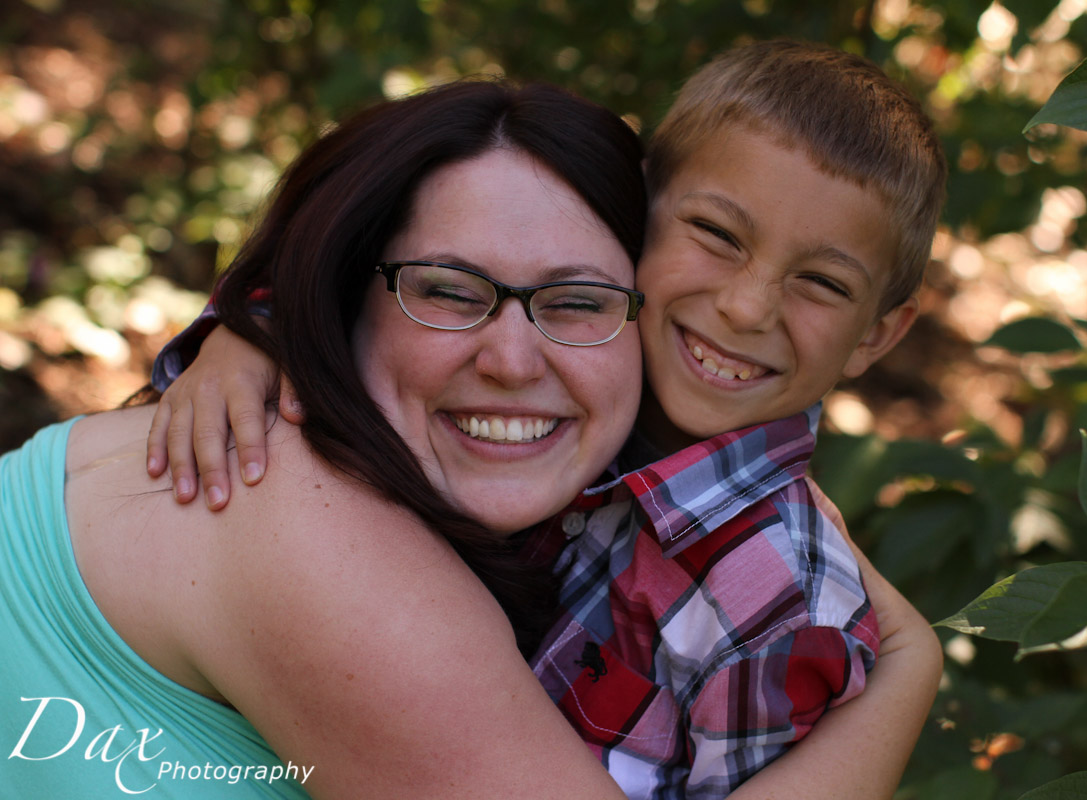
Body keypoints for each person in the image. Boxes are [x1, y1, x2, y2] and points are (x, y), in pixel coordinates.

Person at [144, 40, 946, 799]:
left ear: (877, 333)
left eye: (823, 284)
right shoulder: (563, 392)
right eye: (714, 234)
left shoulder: (778, 606)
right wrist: (251, 336)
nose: (744, 306)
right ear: (634, 214)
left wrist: (911, 667)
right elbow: (366, 290)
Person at [2, 78, 648, 798]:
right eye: (448, 291)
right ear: (342, 294)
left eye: (581, 303)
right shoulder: (315, 533)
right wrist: (806, 765)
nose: (512, 362)